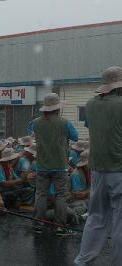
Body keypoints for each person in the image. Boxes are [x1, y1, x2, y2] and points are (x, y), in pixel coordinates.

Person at [75, 66, 122, 266]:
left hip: (97, 168)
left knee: (96, 217)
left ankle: (83, 260)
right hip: (119, 168)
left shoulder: (91, 104)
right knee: (120, 220)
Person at [28, 92, 78, 236]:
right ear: (57, 108)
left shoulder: (35, 122)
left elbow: (30, 131)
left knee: (41, 194)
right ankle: (60, 226)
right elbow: (75, 137)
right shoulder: (65, 122)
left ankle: (37, 224)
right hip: (60, 165)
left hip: (42, 165)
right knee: (60, 195)